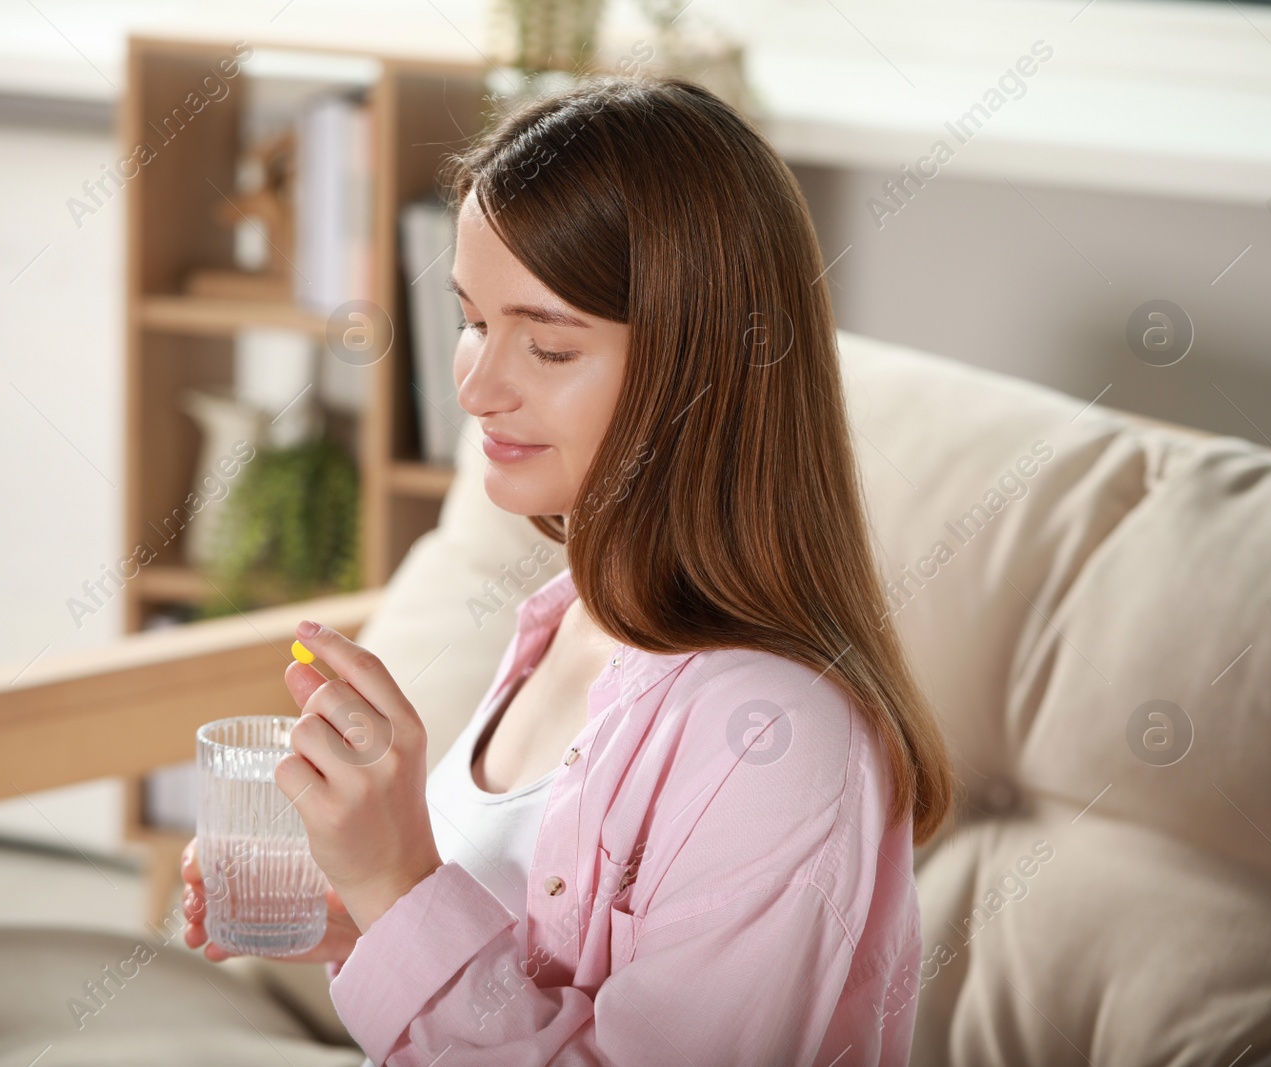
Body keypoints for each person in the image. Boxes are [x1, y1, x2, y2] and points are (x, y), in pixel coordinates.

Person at [182, 76, 954, 1066]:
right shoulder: (572, 620)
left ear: (699, 373)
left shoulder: (772, 736)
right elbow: (540, 972)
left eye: (545, 344)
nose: (474, 383)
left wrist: (400, 884)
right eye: (470, 319)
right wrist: (362, 915)